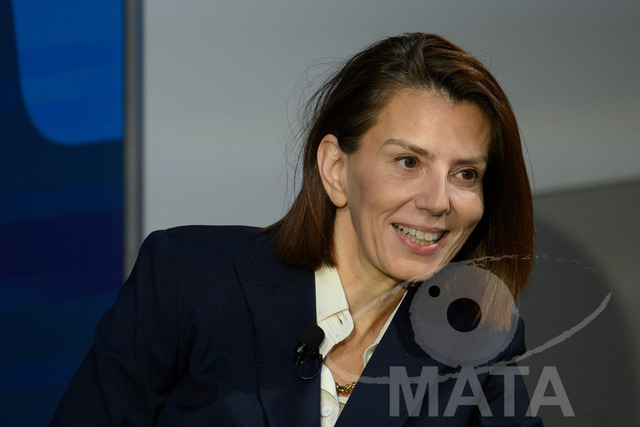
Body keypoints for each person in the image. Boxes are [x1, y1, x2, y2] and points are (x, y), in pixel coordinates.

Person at [52, 33, 542, 426]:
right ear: (335, 169)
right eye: (408, 162)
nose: (438, 202)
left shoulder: (478, 349)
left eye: (466, 174)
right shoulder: (186, 277)